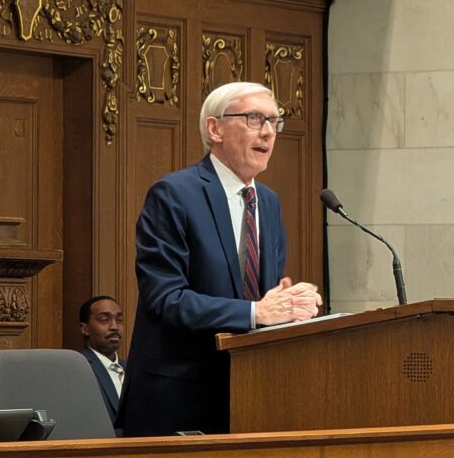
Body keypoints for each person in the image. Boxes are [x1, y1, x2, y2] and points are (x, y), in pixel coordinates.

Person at [119, 81, 323, 437]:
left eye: (274, 122)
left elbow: (263, 299)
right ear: (215, 129)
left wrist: (290, 305)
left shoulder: (269, 203)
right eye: (254, 119)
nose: (268, 133)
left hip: (251, 395)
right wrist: (256, 313)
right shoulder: (174, 195)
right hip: (179, 400)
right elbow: (166, 300)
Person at [79, 295, 125, 427]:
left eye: (119, 320)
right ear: (84, 329)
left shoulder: (132, 369)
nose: (114, 327)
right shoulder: (79, 369)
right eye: (104, 320)